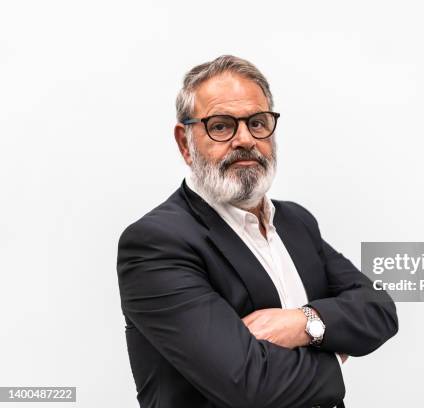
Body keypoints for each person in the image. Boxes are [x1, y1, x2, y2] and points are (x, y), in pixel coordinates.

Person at [116, 55, 398, 408]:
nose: (245, 139)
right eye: (221, 126)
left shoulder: (296, 222)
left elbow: (379, 308)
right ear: (185, 143)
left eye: (258, 122)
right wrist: (336, 359)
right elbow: (251, 386)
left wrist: (303, 323)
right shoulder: (156, 244)